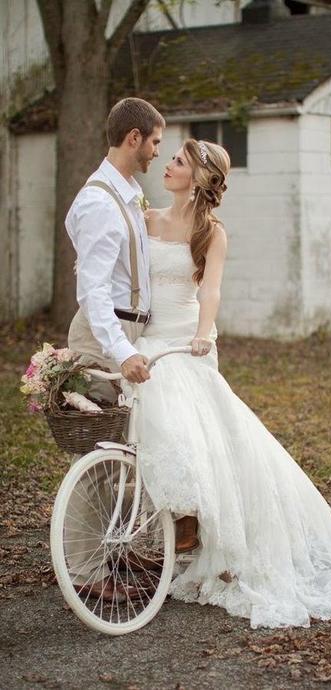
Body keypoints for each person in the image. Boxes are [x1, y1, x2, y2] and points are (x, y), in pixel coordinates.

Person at [134, 138, 331, 629]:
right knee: (157, 410)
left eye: (179, 161)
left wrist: (201, 335)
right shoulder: (146, 218)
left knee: (189, 413)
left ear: (199, 178)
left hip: (185, 339)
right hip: (149, 337)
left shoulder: (211, 233)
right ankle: (173, 518)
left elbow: (211, 289)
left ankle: (189, 518)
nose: (168, 165)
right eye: (170, 157)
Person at [65, 97, 165, 600]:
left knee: (121, 451)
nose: (156, 152)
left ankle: (114, 547)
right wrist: (121, 351)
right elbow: (94, 290)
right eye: (153, 142)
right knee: (95, 455)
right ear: (133, 139)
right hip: (104, 338)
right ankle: (87, 573)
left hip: (129, 335)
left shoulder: (128, 192)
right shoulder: (100, 202)